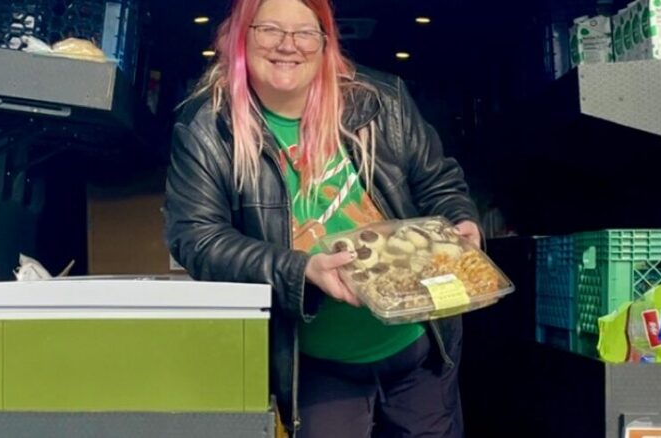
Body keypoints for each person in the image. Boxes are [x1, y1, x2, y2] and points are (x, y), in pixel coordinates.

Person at [164, 0, 481, 436]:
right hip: (317, 367)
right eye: (269, 29)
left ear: (325, 41)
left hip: (418, 353)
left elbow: (439, 182)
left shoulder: (381, 102)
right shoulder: (208, 128)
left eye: (305, 33)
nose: (288, 46)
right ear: (242, 35)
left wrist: (462, 221)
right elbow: (197, 239)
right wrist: (302, 270)